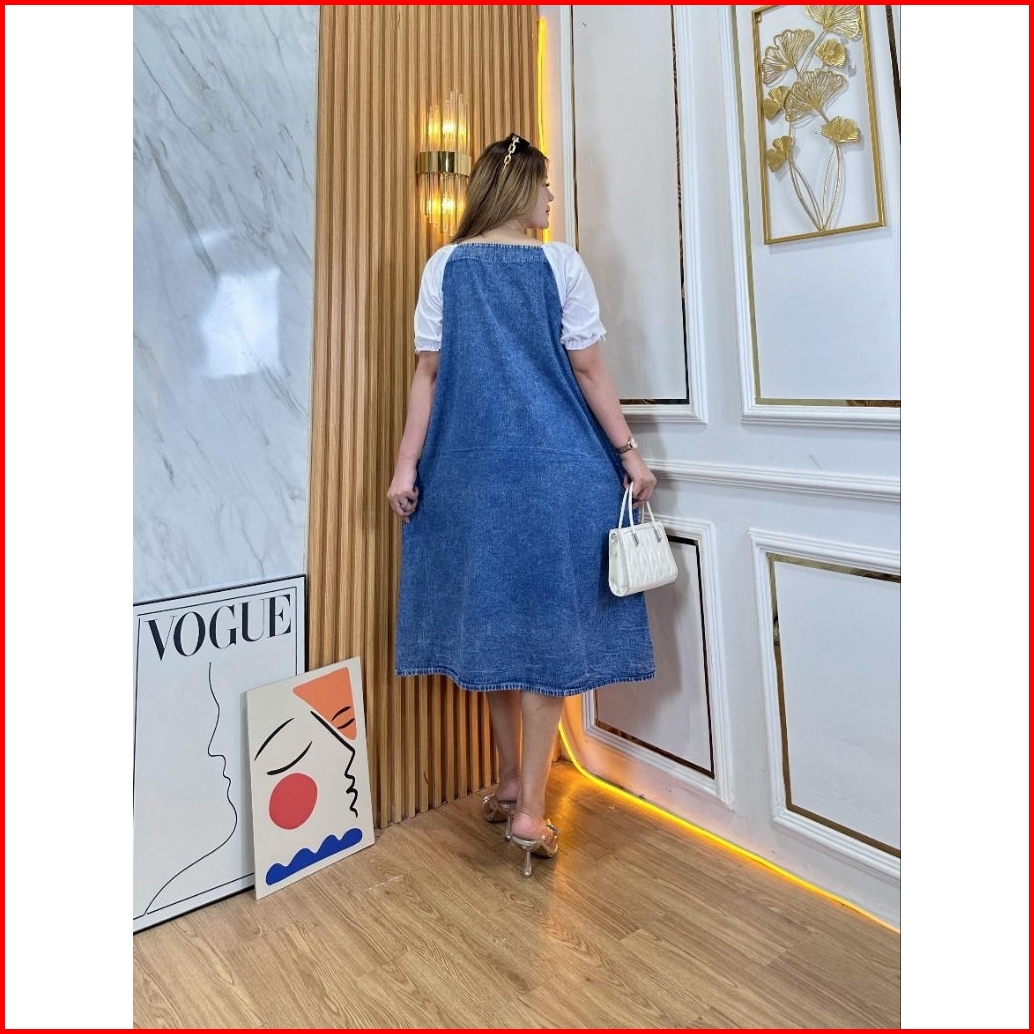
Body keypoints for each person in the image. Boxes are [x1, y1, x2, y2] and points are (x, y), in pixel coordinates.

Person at [387, 133, 657, 875]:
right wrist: (629, 452)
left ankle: (511, 780)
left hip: (469, 476)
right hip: (555, 472)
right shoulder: (559, 264)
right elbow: (590, 371)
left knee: (495, 628)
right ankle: (531, 810)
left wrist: (406, 466)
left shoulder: (444, 266)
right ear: (517, 191)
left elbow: (428, 375)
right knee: (542, 642)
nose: (550, 199)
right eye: (543, 187)